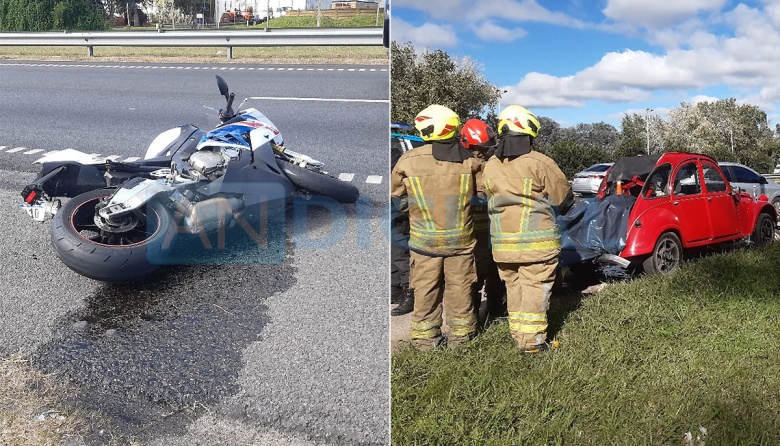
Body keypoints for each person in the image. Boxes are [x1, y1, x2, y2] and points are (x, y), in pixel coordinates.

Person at [482, 105, 573, 354]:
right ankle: (532, 343)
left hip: (502, 246)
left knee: (514, 287)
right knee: (534, 287)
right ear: (529, 131)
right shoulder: (539, 162)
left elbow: (484, 196)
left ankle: (518, 335)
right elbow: (563, 199)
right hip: (536, 245)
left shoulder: (490, 165)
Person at [390, 105, 482, 350]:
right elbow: (482, 197)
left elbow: (398, 199)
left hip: (423, 243)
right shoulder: (469, 160)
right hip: (460, 243)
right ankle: (461, 340)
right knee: (460, 289)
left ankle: (425, 341)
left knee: (425, 289)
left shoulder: (407, 160)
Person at [458, 118, 507, 323]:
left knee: (478, 276)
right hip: (487, 230)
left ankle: (479, 315)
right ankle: (492, 312)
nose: (486, 152)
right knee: (489, 274)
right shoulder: (489, 165)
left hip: (474, 231)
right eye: (483, 148)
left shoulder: (458, 164)